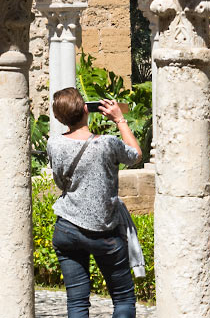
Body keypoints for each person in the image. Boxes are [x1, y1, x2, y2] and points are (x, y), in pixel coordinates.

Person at [47, 88, 143, 318]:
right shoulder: (108, 143)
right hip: (103, 232)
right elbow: (136, 155)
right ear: (85, 110)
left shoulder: (54, 144)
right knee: (123, 298)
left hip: (67, 228)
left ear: (59, 117)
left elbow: (61, 183)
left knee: (77, 302)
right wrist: (119, 119)